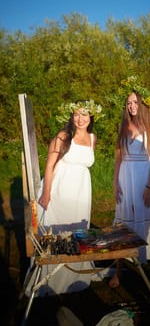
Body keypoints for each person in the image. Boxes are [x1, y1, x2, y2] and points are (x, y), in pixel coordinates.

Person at [26, 99, 104, 296]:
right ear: (71, 116)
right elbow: (50, 165)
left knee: (76, 230)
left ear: (91, 117)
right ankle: (51, 276)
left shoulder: (93, 138)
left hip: (81, 190)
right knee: (57, 230)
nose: (80, 119)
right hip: (60, 188)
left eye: (84, 115)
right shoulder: (63, 135)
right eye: (76, 114)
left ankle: (75, 274)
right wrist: (46, 193)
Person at [109, 76, 150, 291]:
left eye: (135, 102)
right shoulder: (123, 126)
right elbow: (118, 158)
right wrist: (115, 183)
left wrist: (148, 186)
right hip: (126, 177)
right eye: (129, 103)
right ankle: (118, 271)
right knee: (124, 223)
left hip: (145, 176)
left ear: (143, 103)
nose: (132, 106)